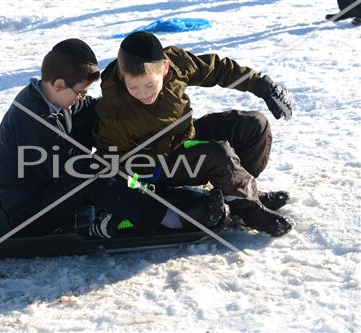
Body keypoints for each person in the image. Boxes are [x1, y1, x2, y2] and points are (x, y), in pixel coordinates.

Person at [0, 38, 228, 243]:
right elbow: (69, 173)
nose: (81, 98)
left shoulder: (50, 99)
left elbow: (94, 111)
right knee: (88, 170)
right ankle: (166, 217)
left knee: (99, 125)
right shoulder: (35, 122)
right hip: (27, 215)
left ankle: (137, 189)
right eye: (80, 93)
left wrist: (128, 112)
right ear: (59, 84)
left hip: (40, 190)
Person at [94, 31, 295, 238]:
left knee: (254, 125)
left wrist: (261, 84)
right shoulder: (116, 110)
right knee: (218, 155)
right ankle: (249, 211)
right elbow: (112, 160)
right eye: (132, 86)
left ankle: (240, 195)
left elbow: (217, 70)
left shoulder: (177, 63)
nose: (143, 93)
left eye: (149, 85)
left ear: (164, 68)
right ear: (122, 75)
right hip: (158, 165)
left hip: (185, 136)